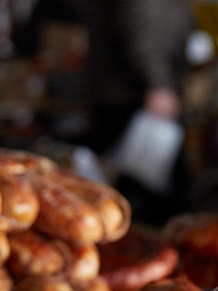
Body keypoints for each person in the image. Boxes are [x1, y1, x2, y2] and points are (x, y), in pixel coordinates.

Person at [79, 0, 193, 223]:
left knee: (119, 190)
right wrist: (157, 84)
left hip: (125, 93)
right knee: (144, 195)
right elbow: (141, 31)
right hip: (132, 97)